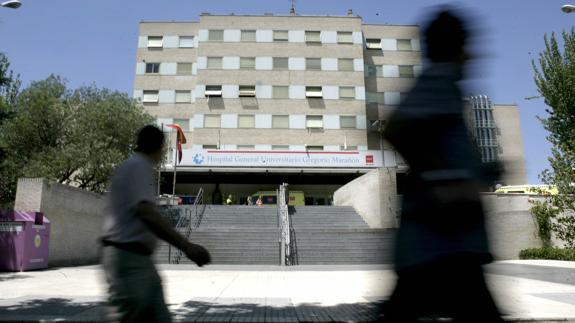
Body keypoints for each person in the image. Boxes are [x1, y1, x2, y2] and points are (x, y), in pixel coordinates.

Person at [380, 9, 504, 322]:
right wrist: (444, 181)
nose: (471, 55)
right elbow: (398, 127)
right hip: (441, 246)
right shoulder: (437, 81)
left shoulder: (446, 87)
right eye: (467, 46)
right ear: (457, 48)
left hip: (443, 246)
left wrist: (481, 174)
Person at [101, 125, 211, 323]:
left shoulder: (131, 166)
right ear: (159, 147)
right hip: (129, 258)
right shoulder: (139, 166)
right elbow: (146, 212)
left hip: (137, 259)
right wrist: (187, 246)